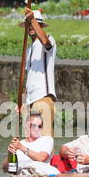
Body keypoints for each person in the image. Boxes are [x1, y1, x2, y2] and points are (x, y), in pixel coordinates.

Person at [18, 8, 57, 137]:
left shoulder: (48, 40)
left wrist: (32, 19)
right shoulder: (28, 49)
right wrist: (22, 103)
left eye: (34, 24)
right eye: (28, 24)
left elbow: (45, 42)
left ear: (39, 25)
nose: (31, 27)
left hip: (43, 98)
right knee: (29, 140)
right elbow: (29, 81)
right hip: (29, 101)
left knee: (44, 139)